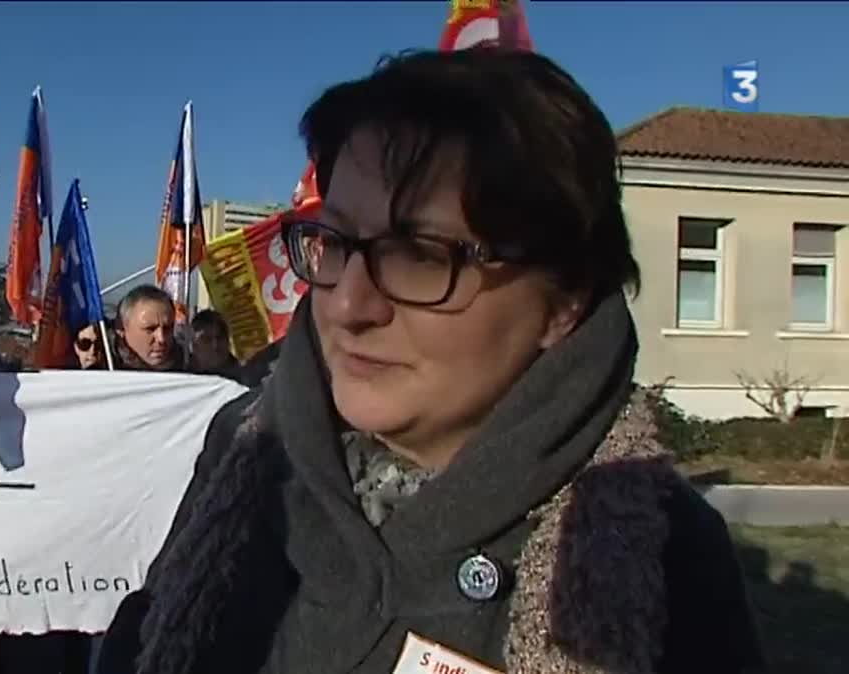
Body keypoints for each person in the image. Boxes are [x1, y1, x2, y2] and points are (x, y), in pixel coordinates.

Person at [97, 49, 764, 674]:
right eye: (333, 241)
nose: (350, 303)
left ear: (565, 300)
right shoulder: (246, 449)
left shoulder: (654, 548)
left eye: (419, 254)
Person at [112, 285, 185, 372]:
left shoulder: (190, 366)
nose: (161, 339)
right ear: (121, 328)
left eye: (167, 328)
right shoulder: (102, 368)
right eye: (150, 329)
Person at [188, 309, 241, 381]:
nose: (215, 345)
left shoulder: (246, 377)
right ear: (194, 345)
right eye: (207, 339)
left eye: (220, 337)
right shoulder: (181, 376)